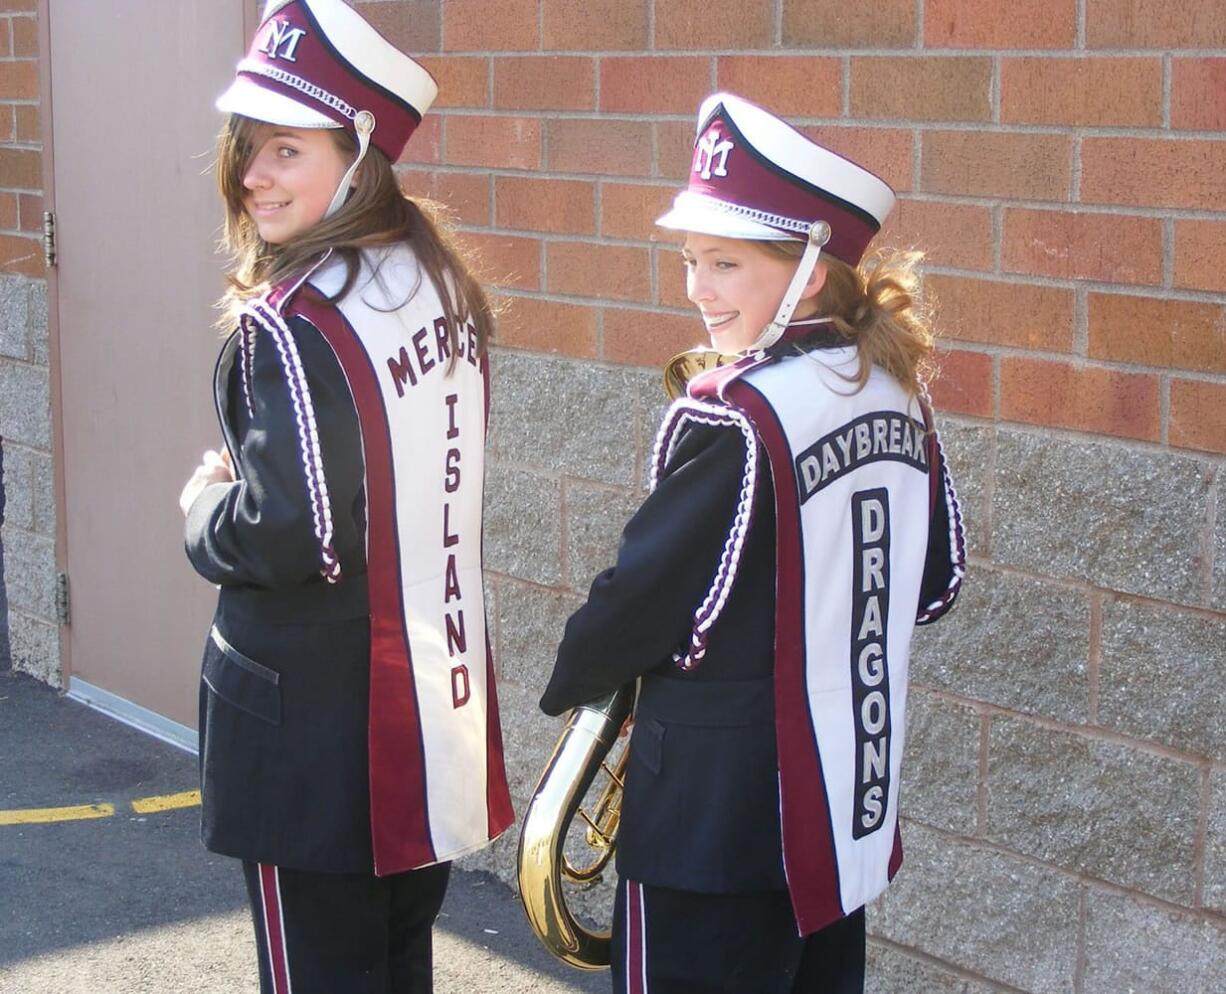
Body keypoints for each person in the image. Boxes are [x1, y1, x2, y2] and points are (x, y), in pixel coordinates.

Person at [539, 93, 966, 993]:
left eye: (727, 263)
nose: (698, 287)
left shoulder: (734, 416)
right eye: (692, 259)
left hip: (715, 821)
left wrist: (569, 676)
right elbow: (932, 583)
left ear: (809, 272)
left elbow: (637, 610)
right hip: (844, 802)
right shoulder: (897, 392)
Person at [179, 2, 513, 991]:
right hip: (429, 708)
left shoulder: (292, 318)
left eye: (286, 150)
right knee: (392, 965)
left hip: (314, 739)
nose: (251, 175)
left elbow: (296, 533)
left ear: (358, 154)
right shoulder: (433, 279)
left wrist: (203, 511)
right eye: (249, 149)